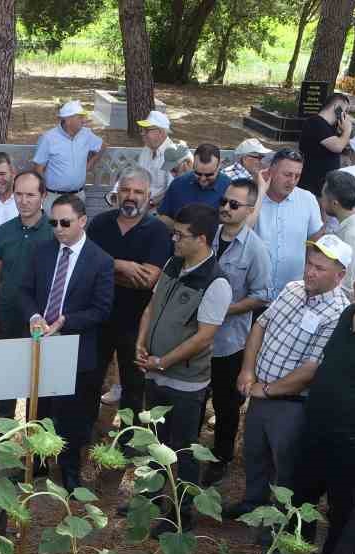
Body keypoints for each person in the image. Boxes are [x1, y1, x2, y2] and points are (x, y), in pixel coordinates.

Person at [226, 237, 350, 520]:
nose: (310, 271)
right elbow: (260, 325)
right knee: (254, 452)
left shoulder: (339, 313)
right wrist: (247, 370)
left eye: (320, 267)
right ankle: (253, 503)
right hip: (259, 392)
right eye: (309, 263)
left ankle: (279, 524)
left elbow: (311, 370)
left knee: (287, 468)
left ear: (340, 275)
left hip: (291, 404)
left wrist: (267, 390)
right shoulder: (293, 289)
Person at [287, 256, 355, 554]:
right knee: (302, 492)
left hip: (353, 438)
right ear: (354, 289)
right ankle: (294, 550)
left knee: (343, 509)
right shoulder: (346, 316)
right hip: (318, 427)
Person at [134, 203, 231, 531]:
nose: (174, 239)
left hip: (186, 383)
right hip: (155, 372)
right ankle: (149, 500)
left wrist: (163, 362)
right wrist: (141, 343)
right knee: (155, 441)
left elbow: (203, 338)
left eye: (181, 235)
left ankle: (180, 512)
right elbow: (150, 307)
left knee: (183, 448)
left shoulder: (216, 283)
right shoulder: (173, 264)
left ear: (201, 239)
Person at [26, 193, 115, 489]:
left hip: (75, 349)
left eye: (65, 222)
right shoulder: (41, 252)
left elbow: (102, 310)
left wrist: (67, 321)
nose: (58, 228)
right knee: (38, 408)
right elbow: (23, 291)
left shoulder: (100, 260)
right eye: (53, 222)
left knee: (71, 415)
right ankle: (37, 464)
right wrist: (35, 315)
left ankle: (69, 471)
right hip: (41, 345)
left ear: (82, 221)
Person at [201, 178, 273, 486]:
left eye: (234, 205)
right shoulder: (207, 237)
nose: (226, 208)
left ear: (250, 209)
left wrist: (224, 309)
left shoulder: (255, 249)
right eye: (224, 202)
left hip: (229, 342)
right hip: (195, 338)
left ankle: (221, 456)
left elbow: (263, 294)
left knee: (226, 405)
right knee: (192, 397)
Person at [87, 168, 173, 422]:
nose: (131, 196)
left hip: (136, 323)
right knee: (90, 380)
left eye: (138, 192)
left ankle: (129, 441)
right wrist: (120, 266)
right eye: (126, 190)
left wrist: (103, 269)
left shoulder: (157, 230)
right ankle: (83, 434)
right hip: (98, 318)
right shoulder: (100, 224)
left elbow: (148, 279)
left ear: (148, 196)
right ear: (117, 191)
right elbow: (85, 268)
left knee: (134, 386)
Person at [0, 171, 55, 418]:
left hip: (42, 319)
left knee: (38, 382)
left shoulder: (54, 232)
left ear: (43, 196)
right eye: (19, 194)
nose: (23, 200)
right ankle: (2, 438)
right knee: (7, 378)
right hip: (8, 314)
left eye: (30, 195)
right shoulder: (4, 231)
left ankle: (34, 440)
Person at [252, 148, 325, 297]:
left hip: (293, 294)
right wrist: (260, 192)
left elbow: (315, 240)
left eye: (297, 176)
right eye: (287, 175)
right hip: (254, 292)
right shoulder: (252, 198)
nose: (292, 181)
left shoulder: (307, 199)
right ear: (271, 171)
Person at [33, 102, 104, 197]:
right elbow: (38, 168)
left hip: (78, 195)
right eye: (80, 117)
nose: (84, 120)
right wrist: (43, 191)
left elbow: (102, 146)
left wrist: (88, 166)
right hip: (54, 196)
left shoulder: (86, 134)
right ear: (68, 120)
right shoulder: (48, 138)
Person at [321, 170, 355, 291]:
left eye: (323, 197)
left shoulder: (351, 234)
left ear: (335, 203)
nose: (321, 201)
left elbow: (348, 284)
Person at [158, 143, 228, 227]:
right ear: (193, 164)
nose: (202, 179)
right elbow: (163, 216)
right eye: (198, 173)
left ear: (219, 166)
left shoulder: (229, 187)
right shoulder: (178, 184)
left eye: (209, 175)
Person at [297, 91, 353, 196]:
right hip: (313, 186)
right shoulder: (316, 123)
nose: (345, 115)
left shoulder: (329, 127)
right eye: (345, 111)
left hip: (324, 186)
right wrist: (347, 130)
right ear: (337, 107)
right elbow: (337, 147)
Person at [135, 111, 184, 205]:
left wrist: (150, 203)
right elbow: (137, 175)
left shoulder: (173, 154)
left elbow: (172, 190)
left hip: (159, 207)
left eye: (146, 130)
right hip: (140, 201)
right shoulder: (146, 149)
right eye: (142, 129)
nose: (142, 133)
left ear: (160, 132)